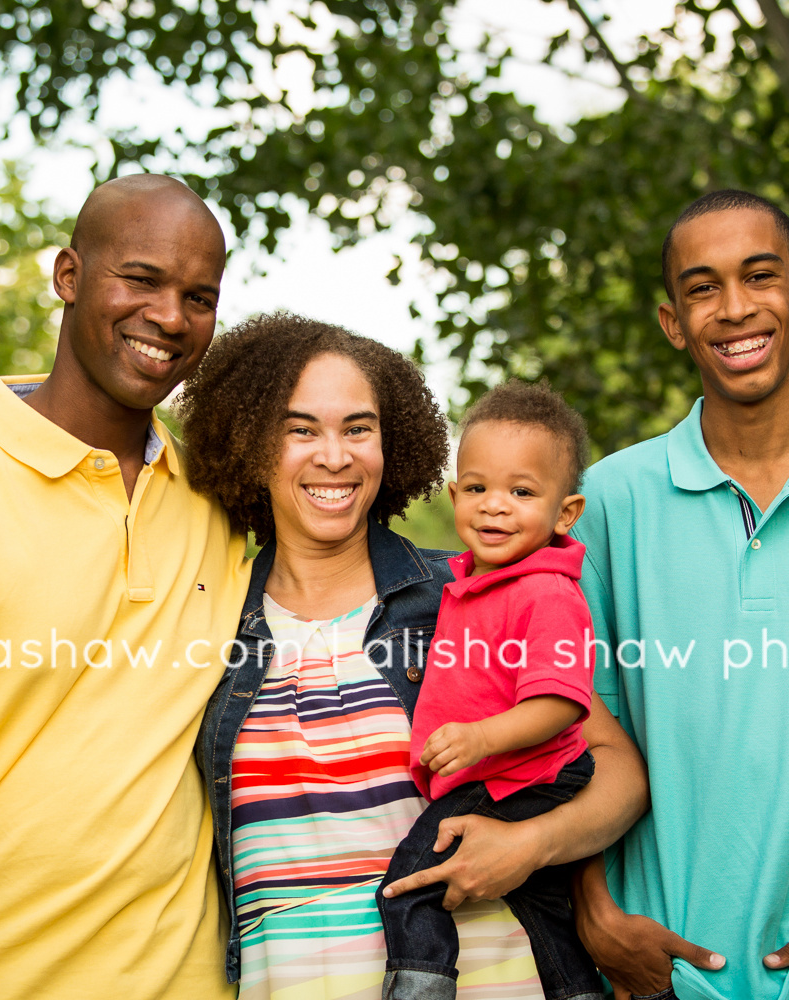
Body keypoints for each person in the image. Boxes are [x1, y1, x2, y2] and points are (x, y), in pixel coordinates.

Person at [177, 311, 649, 999]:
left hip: (500, 975)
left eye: (358, 429)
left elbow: (619, 773)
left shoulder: (469, 593)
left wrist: (531, 845)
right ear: (249, 444)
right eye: (300, 428)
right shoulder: (209, 620)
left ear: (389, 442)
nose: (333, 456)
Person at [0, 174, 251, 1000]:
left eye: (199, 296)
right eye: (140, 280)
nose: (171, 318)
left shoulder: (223, 498)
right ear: (68, 276)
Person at [571, 189, 789, 1000]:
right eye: (703, 288)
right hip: (656, 976)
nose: (735, 309)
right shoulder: (607, 502)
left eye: (761, 277)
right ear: (674, 324)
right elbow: (563, 723)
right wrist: (594, 909)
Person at [378, 379, 602, 1000]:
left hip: (524, 776)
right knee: (546, 914)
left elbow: (561, 702)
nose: (494, 506)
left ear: (565, 513)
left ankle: (420, 987)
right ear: (454, 496)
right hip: (503, 775)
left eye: (521, 492)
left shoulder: (547, 592)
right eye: (477, 488)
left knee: (412, 884)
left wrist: (481, 738)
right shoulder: (466, 582)